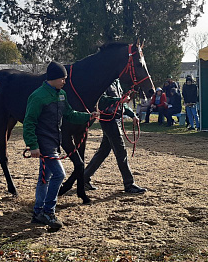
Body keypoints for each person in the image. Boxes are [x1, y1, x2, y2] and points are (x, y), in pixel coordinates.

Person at [23, 61, 98, 229]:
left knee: (45, 178)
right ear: (53, 78)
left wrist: (88, 116)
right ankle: (48, 211)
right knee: (59, 174)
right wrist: (33, 145)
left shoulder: (61, 94)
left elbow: (70, 114)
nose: (64, 81)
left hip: (55, 142)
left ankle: (37, 213)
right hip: (44, 143)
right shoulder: (38, 96)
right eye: (62, 78)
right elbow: (29, 122)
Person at [84, 79, 146, 194]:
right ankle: (129, 184)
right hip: (109, 120)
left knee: (103, 151)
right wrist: (119, 99)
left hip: (115, 119)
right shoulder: (104, 82)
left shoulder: (116, 82)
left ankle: (84, 178)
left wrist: (132, 115)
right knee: (121, 151)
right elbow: (101, 100)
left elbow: (121, 103)